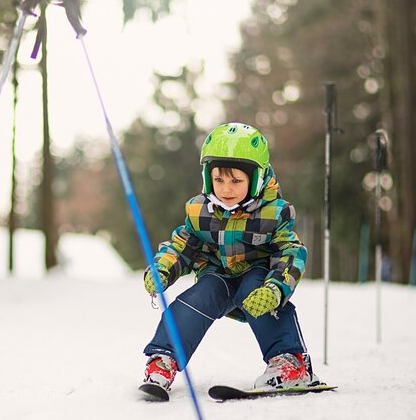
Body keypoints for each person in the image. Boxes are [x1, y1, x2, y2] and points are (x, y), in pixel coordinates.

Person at [138, 122, 322, 401]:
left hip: (258, 277)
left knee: (254, 291)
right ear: (206, 177)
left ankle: (289, 363)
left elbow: (290, 252)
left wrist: (276, 288)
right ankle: (163, 361)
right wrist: (163, 268)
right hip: (218, 276)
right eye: (219, 180)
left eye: (236, 181)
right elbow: (182, 245)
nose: (226, 189)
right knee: (194, 300)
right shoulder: (200, 210)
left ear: (256, 179)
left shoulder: (275, 212)